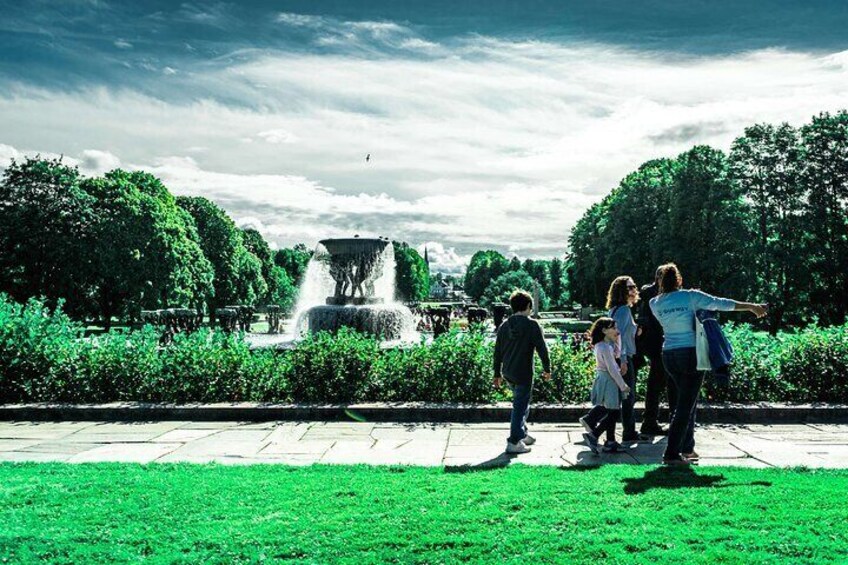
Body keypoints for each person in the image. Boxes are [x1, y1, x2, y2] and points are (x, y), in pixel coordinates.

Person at [650, 263, 767, 466]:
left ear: (659, 281)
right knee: (684, 407)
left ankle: (687, 448)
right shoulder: (690, 296)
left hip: (668, 355)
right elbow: (720, 303)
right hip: (690, 354)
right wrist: (750, 306)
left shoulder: (655, 303)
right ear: (679, 279)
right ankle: (671, 453)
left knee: (686, 402)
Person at [494, 289, 552, 454]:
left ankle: (522, 432)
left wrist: (496, 374)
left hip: (508, 372)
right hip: (524, 372)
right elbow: (542, 349)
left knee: (522, 403)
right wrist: (547, 368)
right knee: (520, 406)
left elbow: (497, 352)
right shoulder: (532, 324)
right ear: (528, 306)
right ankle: (514, 442)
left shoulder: (504, 325)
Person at [635, 268, 677, 436]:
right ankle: (655, 421)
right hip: (661, 343)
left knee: (656, 384)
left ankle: (651, 420)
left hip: (651, 344)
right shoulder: (658, 296)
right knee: (668, 383)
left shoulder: (647, 294)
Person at [579, 317, 631, 454]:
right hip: (609, 381)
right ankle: (594, 435)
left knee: (611, 410)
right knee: (613, 412)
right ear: (604, 331)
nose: (617, 331)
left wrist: (617, 339)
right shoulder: (605, 348)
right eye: (613, 328)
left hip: (604, 379)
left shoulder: (603, 346)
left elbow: (618, 353)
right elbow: (613, 369)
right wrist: (623, 385)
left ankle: (608, 440)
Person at [606, 276, 640, 443]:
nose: (634, 289)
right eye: (630, 287)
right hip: (622, 357)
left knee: (616, 395)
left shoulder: (613, 310)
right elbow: (619, 336)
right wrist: (624, 360)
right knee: (628, 395)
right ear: (622, 291)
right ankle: (629, 431)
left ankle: (595, 423)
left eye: (634, 286)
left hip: (614, 357)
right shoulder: (624, 311)